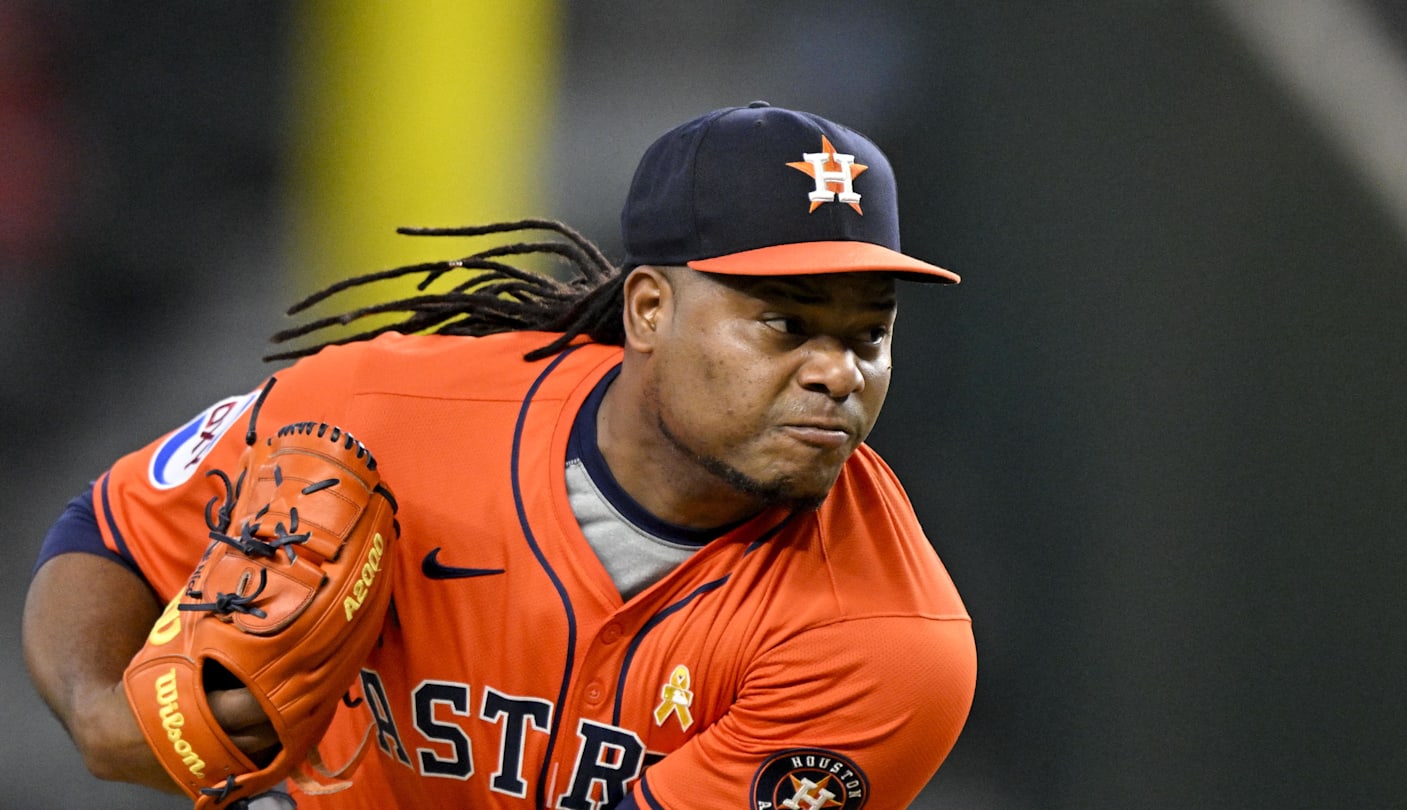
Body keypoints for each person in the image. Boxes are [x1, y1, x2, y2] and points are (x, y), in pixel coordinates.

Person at [23, 101, 976, 809]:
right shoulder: (379, 412)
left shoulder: (887, 640)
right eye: (786, 323)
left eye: (866, 336)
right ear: (649, 310)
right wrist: (99, 709)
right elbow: (108, 526)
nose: (837, 375)